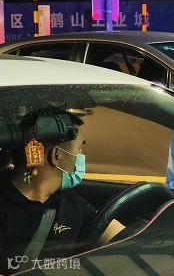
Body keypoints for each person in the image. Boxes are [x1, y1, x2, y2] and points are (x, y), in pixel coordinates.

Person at [0, 108, 121, 274]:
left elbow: (119, 235)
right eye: (79, 149)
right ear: (56, 155)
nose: (81, 156)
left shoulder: (68, 201)